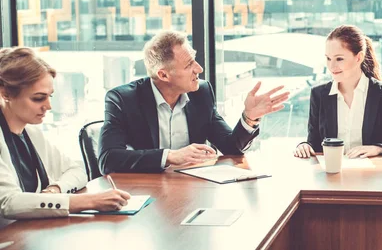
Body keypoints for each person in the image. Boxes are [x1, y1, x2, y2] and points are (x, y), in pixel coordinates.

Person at [99, 30, 289, 173]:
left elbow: (231, 147)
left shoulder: (201, 93)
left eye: (194, 60)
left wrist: (249, 118)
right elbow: (107, 159)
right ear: (163, 75)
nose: (199, 69)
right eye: (189, 65)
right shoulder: (123, 99)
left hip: (191, 188)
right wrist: (171, 156)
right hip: (147, 192)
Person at [0, 47, 130, 220]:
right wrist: (87, 201)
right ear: (5, 93)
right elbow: (8, 202)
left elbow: (77, 170)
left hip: (29, 232)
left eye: (49, 97)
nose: (48, 106)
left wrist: (55, 189)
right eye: (38, 98)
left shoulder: (31, 133)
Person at [294, 25, 382, 158]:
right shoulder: (319, 95)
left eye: (339, 59)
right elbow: (315, 144)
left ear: (359, 58)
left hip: (372, 176)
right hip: (332, 174)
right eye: (328, 58)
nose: (331, 66)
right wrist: (305, 146)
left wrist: (379, 148)